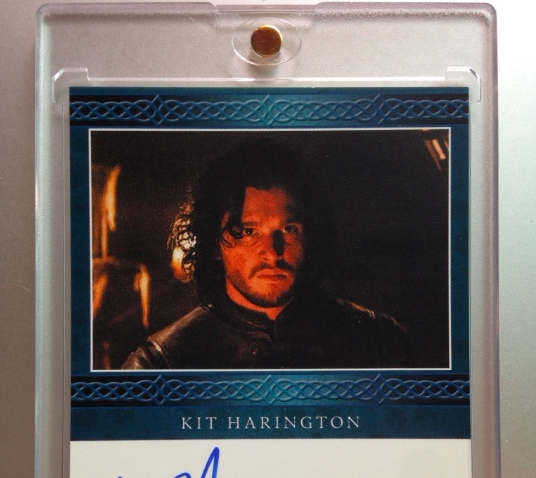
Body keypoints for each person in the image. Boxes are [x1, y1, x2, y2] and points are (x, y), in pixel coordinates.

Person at [123, 139, 412, 370]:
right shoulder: (162, 365)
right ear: (213, 244)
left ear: (311, 235)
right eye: (248, 231)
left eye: (288, 229)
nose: (273, 253)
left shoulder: (378, 342)